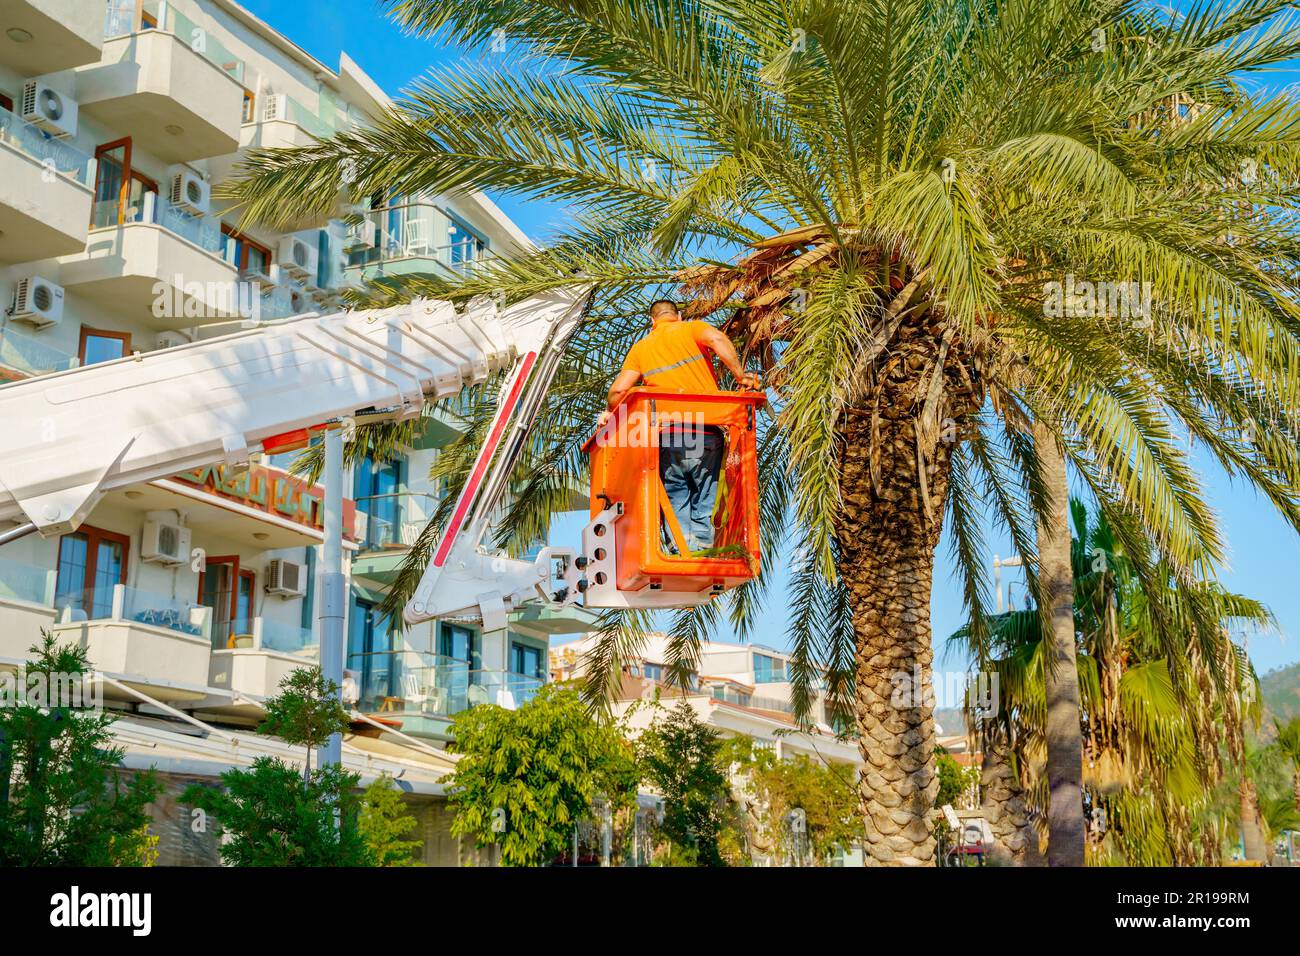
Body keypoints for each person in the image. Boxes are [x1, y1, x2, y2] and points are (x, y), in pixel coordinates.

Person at [599, 300, 760, 552]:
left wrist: (611, 412)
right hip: (706, 433)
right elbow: (717, 339)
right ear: (679, 316)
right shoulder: (692, 328)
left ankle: (683, 552)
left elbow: (619, 390)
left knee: (676, 496)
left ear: (652, 322)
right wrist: (740, 375)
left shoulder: (641, 348)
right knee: (705, 497)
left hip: (670, 436)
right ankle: (701, 552)